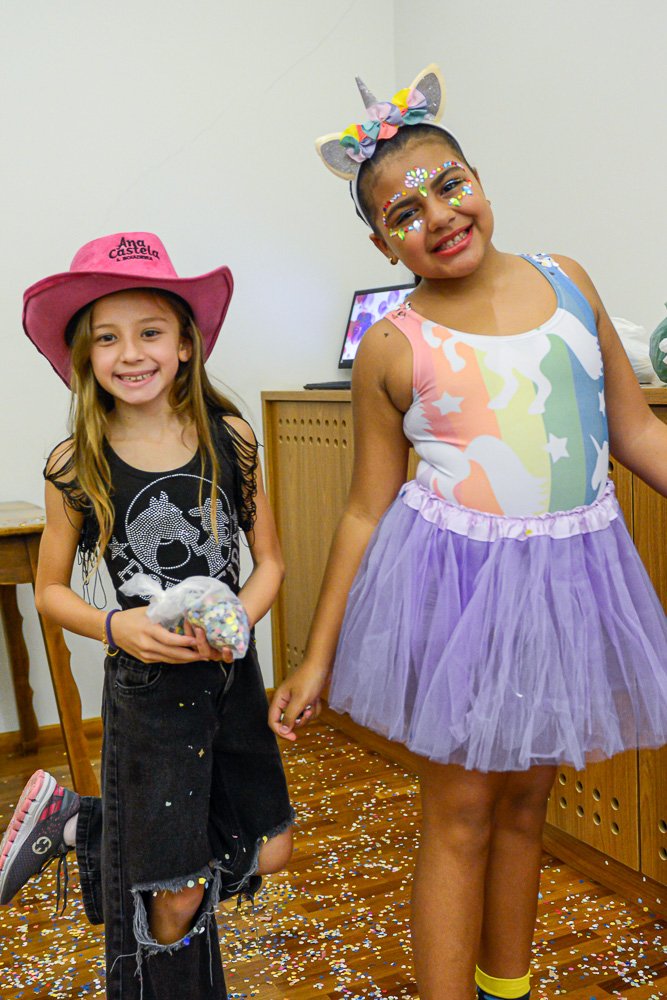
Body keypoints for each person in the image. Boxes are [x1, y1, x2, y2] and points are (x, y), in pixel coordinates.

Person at [268, 64, 667, 1000]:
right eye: (404, 212)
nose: (438, 216)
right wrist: (317, 657)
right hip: (460, 594)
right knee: (458, 816)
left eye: (449, 185)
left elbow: (636, 429)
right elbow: (364, 507)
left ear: (478, 180)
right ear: (381, 242)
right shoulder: (393, 343)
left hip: (570, 585)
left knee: (527, 803)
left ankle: (504, 986)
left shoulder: (567, 280)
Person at [0, 232, 294, 1000]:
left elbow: (270, 563)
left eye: (150, 332)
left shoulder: (231, 440)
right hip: (149, 693)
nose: (130, 353)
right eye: (107, 338)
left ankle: (79, 823)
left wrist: (236, 622)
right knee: (175, 896)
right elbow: (51, 590)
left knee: (268, 851)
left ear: (186, 344)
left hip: (230, 680)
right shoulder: (77, 463)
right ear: (84, 356)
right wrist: (114, 626)